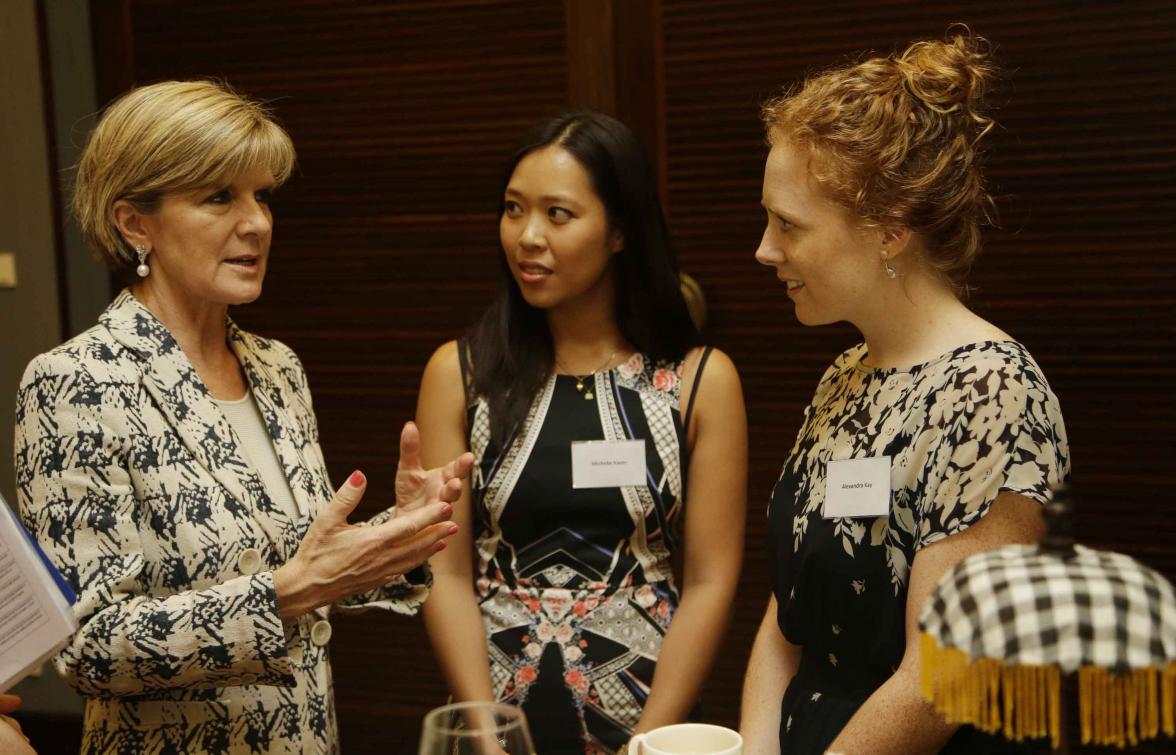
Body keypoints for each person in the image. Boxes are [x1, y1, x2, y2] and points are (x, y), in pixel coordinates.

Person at [13, 80, 472, 754]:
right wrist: (286, 592)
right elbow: (90, 646)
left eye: (261, 195)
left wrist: (390, 538)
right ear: (134, 223)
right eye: (219, 196)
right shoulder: (76, 383)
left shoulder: (275, 365)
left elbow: (299, 563)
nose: (256, 221)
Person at [738, 32, 1070, 754]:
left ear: (889, 232)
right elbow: (789, 611)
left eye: (787, 224)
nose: (764, 249)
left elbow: (939, 678)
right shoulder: (845, 376)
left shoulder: (992, 390)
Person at [416, 112, 748, 753]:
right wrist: (486, 736)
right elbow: (447, 575)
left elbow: (710, 581)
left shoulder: (698, 381)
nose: (527, 237)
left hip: (647, 724)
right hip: (498, 727)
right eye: (514, 210)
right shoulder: (458, 375)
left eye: (558, 214)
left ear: (620, 231)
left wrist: (647, 745)